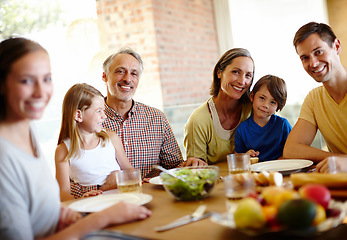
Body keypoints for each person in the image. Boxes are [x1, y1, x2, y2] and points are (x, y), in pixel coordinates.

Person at [0, 37, 151, 240]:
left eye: (46, 79)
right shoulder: (5, 157)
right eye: (26, 80)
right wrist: (102, 218)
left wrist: (56, 214)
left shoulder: (28, 137)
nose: (41, 92)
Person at [102, 48, 206, 179]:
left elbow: (173, 167)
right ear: (104, 76)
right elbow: (74, 179)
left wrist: (191, 165)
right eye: (120, 71)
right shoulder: (85, 121)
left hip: (153, 195)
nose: (128, 79)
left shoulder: (157, 118)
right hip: (106, 197)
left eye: (134, 74)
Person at [283, 22, 347, 172]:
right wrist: (334, 159)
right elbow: (291, 149)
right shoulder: (314, 99)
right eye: (305, 57)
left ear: (336, 46)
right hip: (345, 185)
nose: (313, 63)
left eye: (318, 52)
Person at [55, 83, 134, 201]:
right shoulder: (63, 150)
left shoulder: (111, 138)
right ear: (78, 115)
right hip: (91, 205)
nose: (105, 116)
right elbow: (63, 193)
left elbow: (130, 171)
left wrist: (120, 178)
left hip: (122, 201)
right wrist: (85, 198)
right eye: (99, 111)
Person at [184, 48, 254, 164]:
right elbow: (196, 169)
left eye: (248, 75)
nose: (242, 81)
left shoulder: (253, 110)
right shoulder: (199, 120)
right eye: (236, 72)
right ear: (219, 72)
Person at [234, 75, 292, 162]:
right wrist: (246, 156)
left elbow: (293, 150)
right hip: (254, 172)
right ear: (252, 97)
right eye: (262, 98)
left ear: (278, 106)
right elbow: (237, 156)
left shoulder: (283, 125)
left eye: (272, 102)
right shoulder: (242, 129)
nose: (265, 105)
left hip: (279, 171)